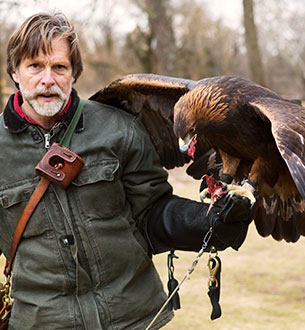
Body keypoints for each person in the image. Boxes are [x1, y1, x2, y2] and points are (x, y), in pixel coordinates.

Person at [0, 12, 252, 330]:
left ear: (74, 73)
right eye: (35, 66)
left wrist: (207, 222)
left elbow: (152, 213)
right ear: (15, 72)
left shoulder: (119, 127)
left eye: (59, 67)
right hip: (40, 322)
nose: (48, 79)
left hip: (132, 319)